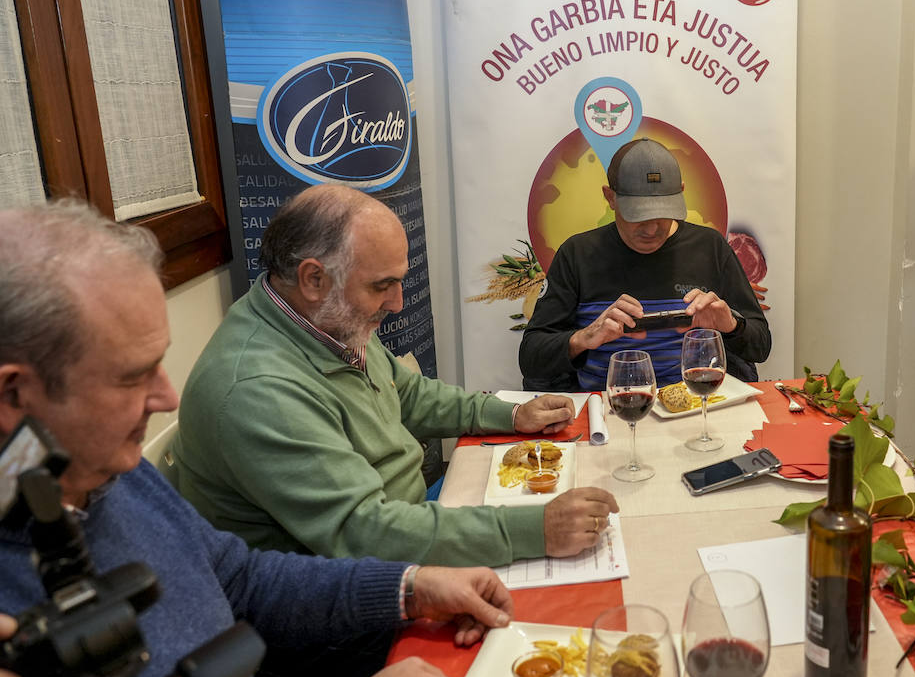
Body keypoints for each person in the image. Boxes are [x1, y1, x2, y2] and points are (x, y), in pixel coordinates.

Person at [0, 200, 517, 677]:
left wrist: (411, 586)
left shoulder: (103, 474)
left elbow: (240, 577)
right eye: (132, 377)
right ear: (13, 395)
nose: (168, 398)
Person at [170, 185, 617, 568]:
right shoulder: (259, 390)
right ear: (313, 279)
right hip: (346, 587)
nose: (398, 302)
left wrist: (512, 413)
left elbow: (409, 395)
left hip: (409, 516)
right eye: (382, 285)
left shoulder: (323, 318)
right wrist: (535, 530)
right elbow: (364, 533)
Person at [519, 138, 771, 391]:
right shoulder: (578, 253)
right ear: (610, 198)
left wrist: (730, 325)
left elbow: (760, 345)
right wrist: (584, 337)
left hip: (696, 402)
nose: (651, 229)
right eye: (637, 215)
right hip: (606, 407)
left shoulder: (710, 247)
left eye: (663, 213)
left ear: (681, 193)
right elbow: (531, 357)